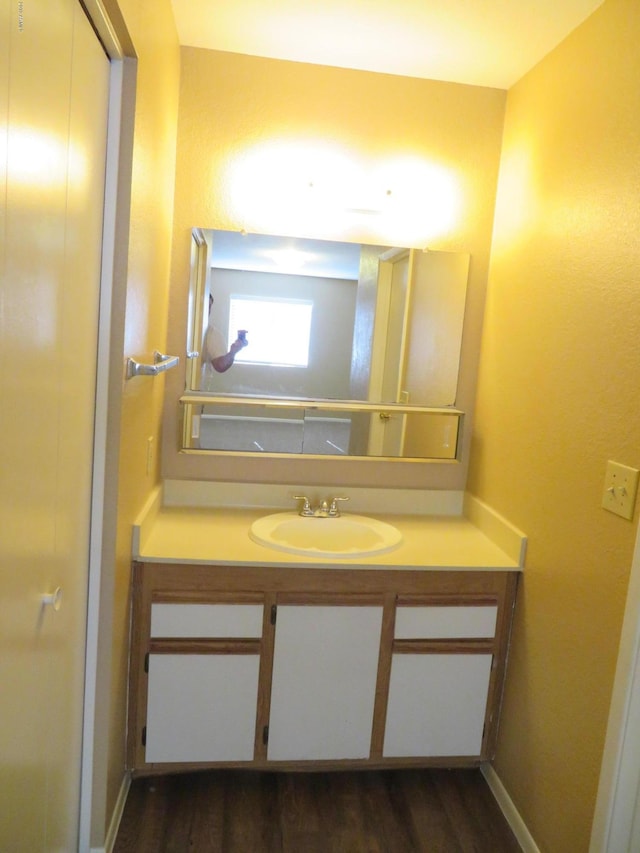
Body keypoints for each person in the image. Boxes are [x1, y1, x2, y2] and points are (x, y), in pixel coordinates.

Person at [202, 294, 248, 375]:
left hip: (195, 385)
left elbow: (220, 366)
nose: (207, 310)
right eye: (203, 305)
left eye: (209, 307)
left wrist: (233, 351)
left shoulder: (211, 333)